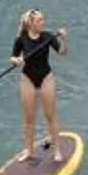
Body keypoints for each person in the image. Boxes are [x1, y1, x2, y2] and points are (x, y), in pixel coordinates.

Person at [11, 9, 68, 161]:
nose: (43, 23)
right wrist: (16, 61)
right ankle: (29, 151)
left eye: (43, 19)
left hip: (46, 77)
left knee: (50, 115)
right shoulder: (21, 39)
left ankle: (57, 151)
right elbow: (13, 57)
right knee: (29, 118)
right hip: (27, 78)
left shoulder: (48, 36)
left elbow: (63, 52)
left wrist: (63, 39)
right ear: (31, 23)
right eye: (40, 20)